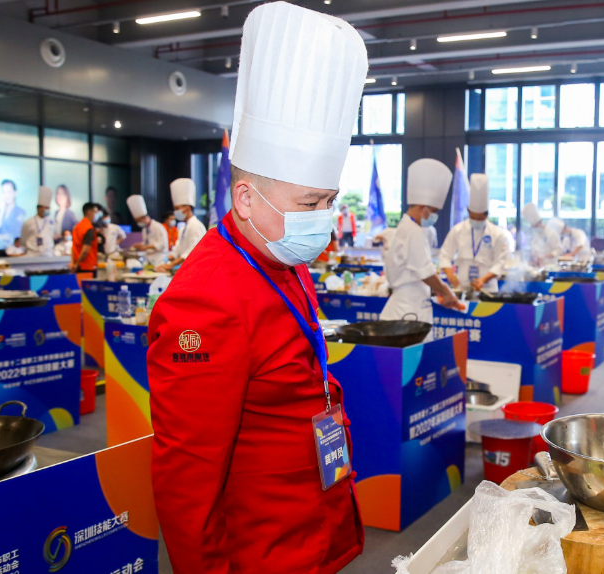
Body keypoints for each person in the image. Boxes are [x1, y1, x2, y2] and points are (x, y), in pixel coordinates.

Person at [147, 4, 367, 572]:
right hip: (262, 547)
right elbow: (188, 478)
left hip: (312, 521)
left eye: (329, 201)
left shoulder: (281, 255)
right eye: (310, 203)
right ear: (246, 198)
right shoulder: (205, 301)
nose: (323, 218)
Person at [381, 158, 462, 323]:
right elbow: (425, 272)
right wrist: (446, 292)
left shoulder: (406, 226)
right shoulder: (413, 231)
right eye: (434, 211)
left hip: (410, 306)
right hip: (407, 311)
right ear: (422, 207)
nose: (435, 216)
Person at [439, 174, 512, 292]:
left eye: (479, 218)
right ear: (468, 213)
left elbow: (501, 261)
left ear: (486, 215)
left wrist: (484, 280)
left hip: (487, 288)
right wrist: (450, 275)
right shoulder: (458, 230)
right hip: (462, 286)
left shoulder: (497, 234)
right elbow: (445, 255)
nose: (476, 221)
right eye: (473, 218)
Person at [156, 179, 206, 272]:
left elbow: (192, 251)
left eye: (177, 208)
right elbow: (178, 248)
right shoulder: (183, 228)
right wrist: (167, 259)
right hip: (185, 270)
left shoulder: (196, 226)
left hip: (195, 270)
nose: (175, 212)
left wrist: (172, 264)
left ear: (187, 208)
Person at [127, 195, 170, 266]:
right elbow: (147, 242)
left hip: (159, 259)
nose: (138, 223)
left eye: (139, 220)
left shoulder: (158, 227)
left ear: (145, 218)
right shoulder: (145, 229)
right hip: (149, 258)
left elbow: (162, 244)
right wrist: (139, 245)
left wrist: (146, 247)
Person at [521, 202, 562, 268]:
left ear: (539, 223)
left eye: (535, 226)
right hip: (538, 266)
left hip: (550, 266)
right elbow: (534, 248)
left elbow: (558, 250)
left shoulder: (551, 233)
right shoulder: (536, 234)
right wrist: (533, 257)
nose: (535, 228)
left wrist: (544, 256)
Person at [0, 179, 26, 250]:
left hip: (14, 249)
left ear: (15, 193)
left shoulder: (20, 212)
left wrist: (2, 237)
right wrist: (1, 212)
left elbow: (17, 234)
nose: (6, 195)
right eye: (4, 192)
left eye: (9, 192)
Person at [21, 185, 55, 257]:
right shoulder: (28, 222)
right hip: (32, 254)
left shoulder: (52, 222)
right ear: (39, 208)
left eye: (48, 208)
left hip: (47, 253)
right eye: (46, 208)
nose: (47, 210)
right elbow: (23, 239)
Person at [69, 203, 102, 275]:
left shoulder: (77, 227)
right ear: (89, 212)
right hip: (88, 266)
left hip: (77, 266)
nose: (96, 215)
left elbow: (73, 247)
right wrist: (77, 263)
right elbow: (85, 250)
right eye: (95, 212)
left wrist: (74, 263)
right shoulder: (88, 228)